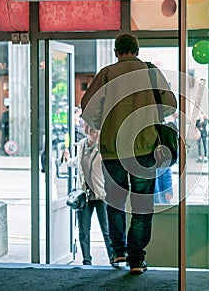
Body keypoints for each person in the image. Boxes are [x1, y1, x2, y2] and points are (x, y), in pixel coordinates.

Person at [81, 33, 177, 273]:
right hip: (144, 148)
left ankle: (118, 251)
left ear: (116, 52)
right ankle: (137, 259)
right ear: (137, 50)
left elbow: (88, 108)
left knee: (114, 201)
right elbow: (170, 105)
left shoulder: (106, 74)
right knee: (142, 205)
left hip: (113, 150)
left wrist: (103, 120)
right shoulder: (151, 71)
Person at [61, 122, 113, 265]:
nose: (96, 135)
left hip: (101, 195)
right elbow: (78, 163)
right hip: (84, 196)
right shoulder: (82, 145)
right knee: (83, 230)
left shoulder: (104, 147)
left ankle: (113, 258)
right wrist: (67, 160)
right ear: (87, 131)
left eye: (98, 132)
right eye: (93, 132)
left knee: (107, 230)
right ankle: (86, 260)